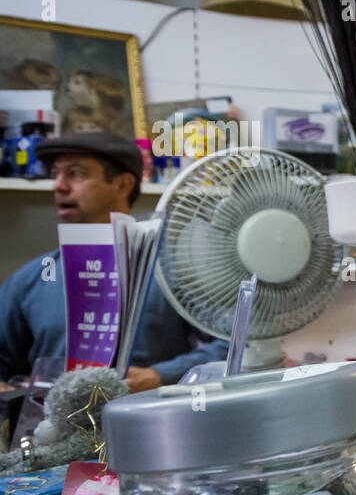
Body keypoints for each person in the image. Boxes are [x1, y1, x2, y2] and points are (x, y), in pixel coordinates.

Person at [0, 132, 227, 391]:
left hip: (148, 424)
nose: (59, 186)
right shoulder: (32, 279)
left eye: (75, 174)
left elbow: (233, 347)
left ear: (122, 184)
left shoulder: (173, 269)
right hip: (50, 428)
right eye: (55, 174)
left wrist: (159, 375)